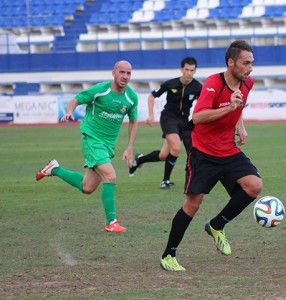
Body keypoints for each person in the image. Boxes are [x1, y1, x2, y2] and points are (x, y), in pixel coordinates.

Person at [159, 40, 263, 272]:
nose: (250, 68)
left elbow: (238, 106)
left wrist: (240, 125)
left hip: (228, 150)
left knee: (253, 186)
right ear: (231, 62)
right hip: (203, 152)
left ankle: (217, 225)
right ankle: (168, 255)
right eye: (246, 63)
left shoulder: (248, 83)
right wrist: (229, 108)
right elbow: (198, 118)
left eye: (252, 63)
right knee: (192, 204)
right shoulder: (214, 83)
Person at [36, 60, 138, 233]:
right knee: (111, 177)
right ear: (113, 73)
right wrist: (69, 111)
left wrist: (129, 147)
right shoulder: (100, 90)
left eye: (128, 73)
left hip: (108, 146)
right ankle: (111, 222)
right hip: (92, 139)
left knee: (87, 187)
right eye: (122, 72)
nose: (125, 76)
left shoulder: (131, 97)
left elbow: (134, 122)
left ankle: (54, 169)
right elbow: (75, 100)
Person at [129, 57, 202, 190]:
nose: (189, 73)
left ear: (195, 71)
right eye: (186, 70)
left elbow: (204, 103)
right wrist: (151, 114)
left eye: (192, 70)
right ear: (181, 69)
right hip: (168, 118)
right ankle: (165, 181)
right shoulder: (171, 83)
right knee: (176, 148)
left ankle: (139, 160)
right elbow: (152, 96)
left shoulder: (198, 87)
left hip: (184, 121)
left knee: (164, 155)